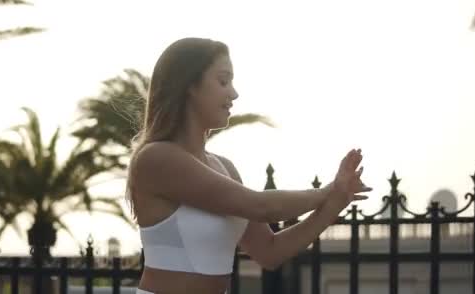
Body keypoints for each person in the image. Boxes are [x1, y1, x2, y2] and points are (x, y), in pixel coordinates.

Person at [127, 37, 372, 294]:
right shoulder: (157, 158)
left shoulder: (224, 167)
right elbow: (261, 206)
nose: (233, 93)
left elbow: (270, 251)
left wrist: (335, 202)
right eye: (223, 81)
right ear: (189, 85)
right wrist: (327, 191)